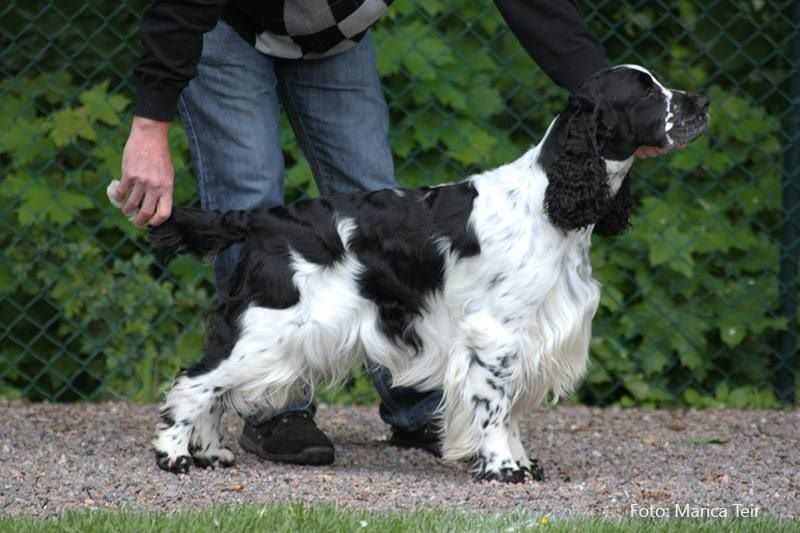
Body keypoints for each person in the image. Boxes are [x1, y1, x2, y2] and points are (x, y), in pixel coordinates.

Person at [113, 0, 669, 467]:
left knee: (380, 206)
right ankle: (267, 411)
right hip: (225, 23)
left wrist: (606, 96)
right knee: (253, 199)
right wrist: (149, 122)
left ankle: (420, 406)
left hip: (335, 38)